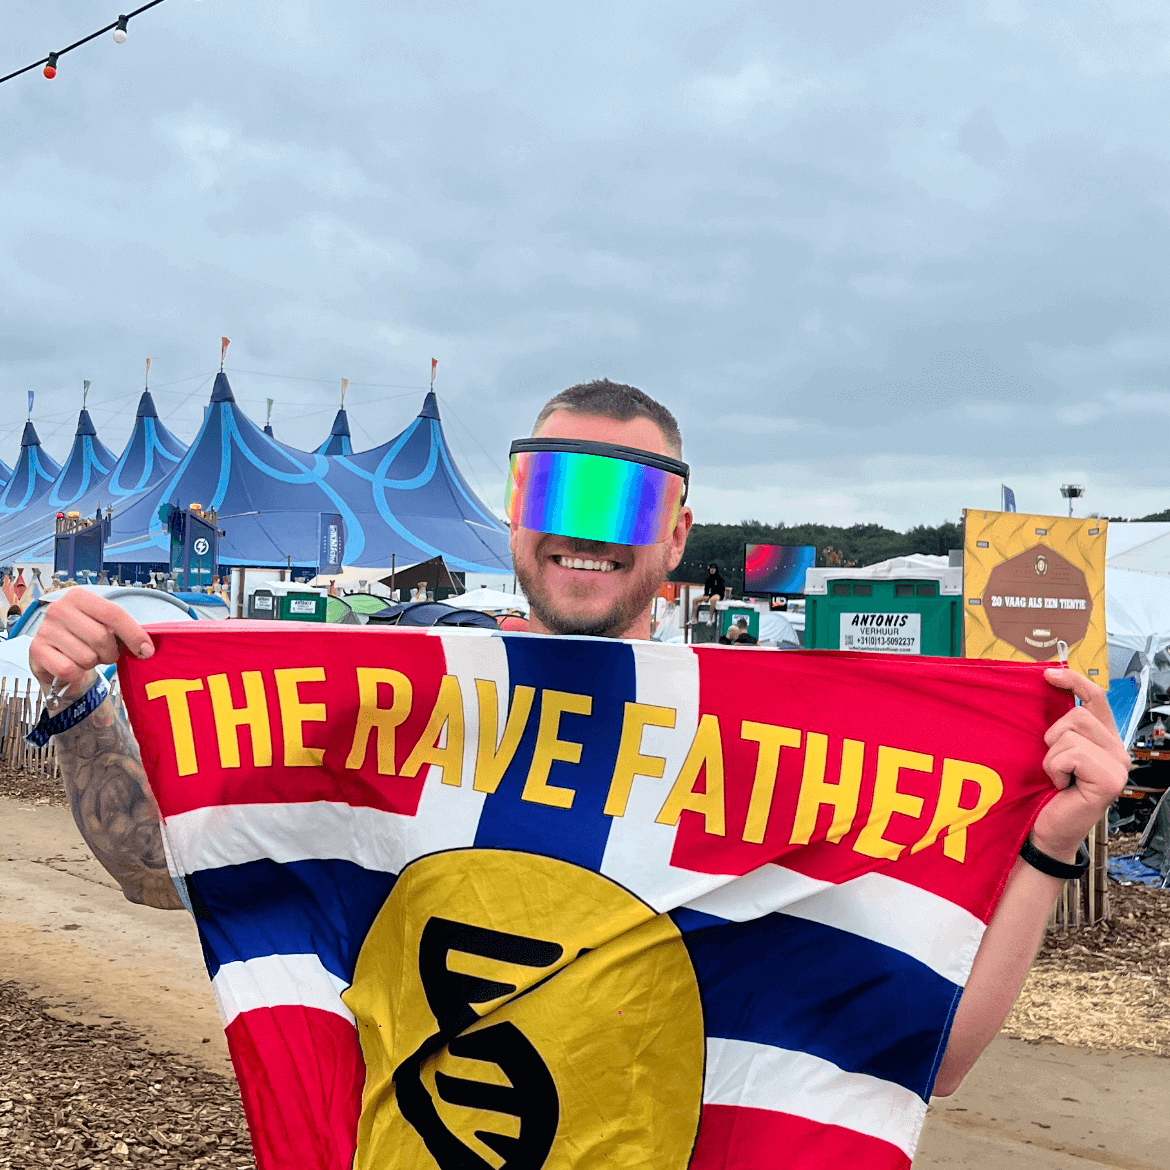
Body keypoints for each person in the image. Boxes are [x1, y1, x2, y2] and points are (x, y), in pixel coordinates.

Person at [28, 377, 1130, 1099]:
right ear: (514, 510)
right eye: (559, 487)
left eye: (630, 501)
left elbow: (922, 1055)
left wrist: (1046, 843)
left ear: (678, 532)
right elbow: (157, 872)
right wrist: (80, 709)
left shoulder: (767, 751)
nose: (589, 532)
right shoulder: (407, 703)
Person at [690, 561, 725, 627]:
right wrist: (706, 595)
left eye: (713, 569)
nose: (712, 570)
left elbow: (722, 589)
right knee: (695, 600)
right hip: (710, 594)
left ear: (715, 570)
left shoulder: (719, 578)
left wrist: (720, 597)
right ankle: (694, 618)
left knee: (712, 600)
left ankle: (710, 619)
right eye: (711, 569)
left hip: (718, 594)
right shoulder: (708, 578)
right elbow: (706, 588)